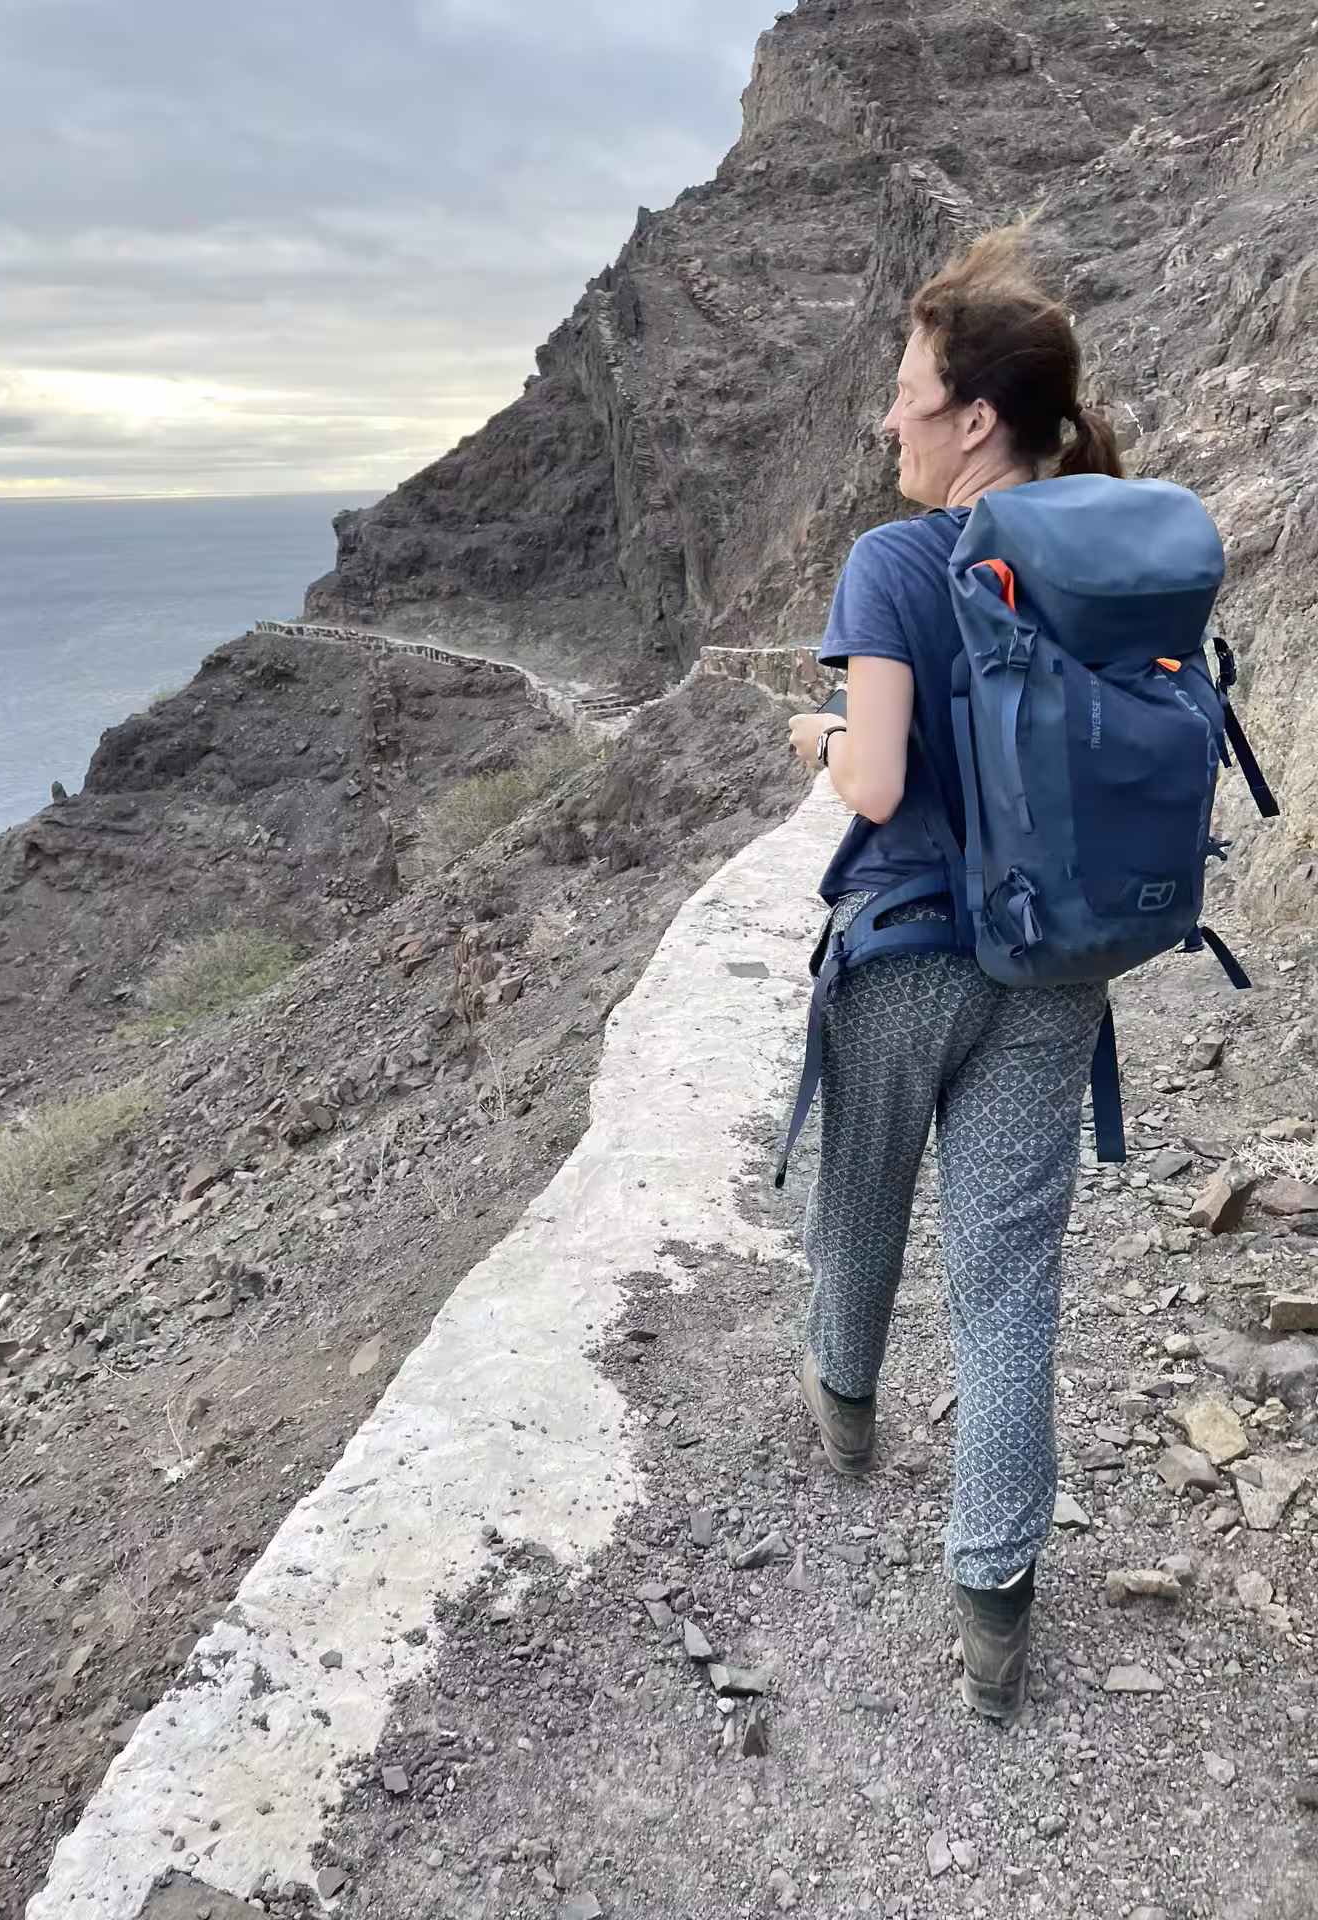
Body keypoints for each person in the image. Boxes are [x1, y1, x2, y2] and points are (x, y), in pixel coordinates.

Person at [786, 224, 1127, 1721]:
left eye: (906, 394)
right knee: (1009, 1288)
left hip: (911, 951)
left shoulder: (894, 560)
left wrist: (810, 740)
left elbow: (869, 783)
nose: (889, 420)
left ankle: (847, 1420)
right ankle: (994, 1611)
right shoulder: (1124, 548)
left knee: (860, 1207)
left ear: (973, 416)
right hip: (1058, 960)